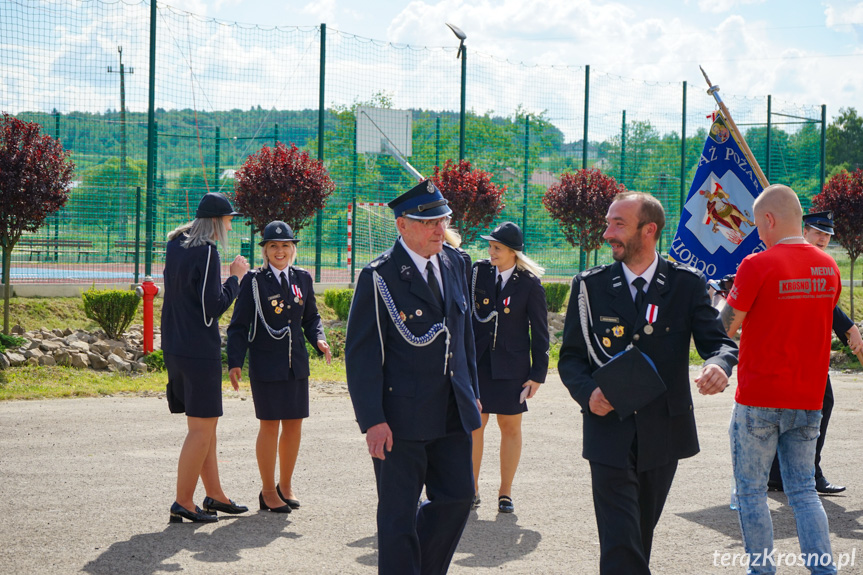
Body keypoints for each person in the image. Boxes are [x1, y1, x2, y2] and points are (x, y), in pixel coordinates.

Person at [558, 191, 738, 574]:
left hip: (663, 430)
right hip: (607, 428)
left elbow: (718, 343)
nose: (607, 233)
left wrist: (720, 365)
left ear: (649, 230)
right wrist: (588, 392)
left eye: (617, 224)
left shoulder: (685, 284)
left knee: (639, 531)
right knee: (621, 538)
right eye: (608, 223)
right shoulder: (590, 287)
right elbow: (571, 358)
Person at [345, 179, 481, 575]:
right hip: (400, 417)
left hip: (452, 409)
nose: (440, 229)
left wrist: (470, 389)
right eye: (429, 222)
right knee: (398, 516)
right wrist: (372, 419)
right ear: (402, 225)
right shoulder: (380, 276)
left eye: (443, 220)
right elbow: (362, 356)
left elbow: (464, 332)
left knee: (458, 498)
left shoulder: (457, 262)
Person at [721, 185, 841, 574]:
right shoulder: (830, 266)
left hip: (760, 396)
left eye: (758, 225)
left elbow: (726, 328)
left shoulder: (756, 265)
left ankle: (762, 570)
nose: (758, 233)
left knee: (752, 492)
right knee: (804, 492)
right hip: (809, 397)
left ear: (769, 220)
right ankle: (823, 569)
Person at [226, 220, 331, 514]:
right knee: (270, 425)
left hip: (295, 363)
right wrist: (235, 361)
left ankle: (286, 485)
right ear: (265, 250)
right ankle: (268, 490)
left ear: (293, 249)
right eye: (273, 245)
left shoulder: (303, 278)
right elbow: (238, 326)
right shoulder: (254, 281)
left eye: (285, 245)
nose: (280, 251)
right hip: (266, 363)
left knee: (294, 425)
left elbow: (311, 318)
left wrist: (319, 340)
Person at [161, 192, 250, 523]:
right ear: (217, 221)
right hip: (199, 350)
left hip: (175, 345)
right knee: (201, 430)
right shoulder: (208, 252)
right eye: (229, 219)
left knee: (206, 427)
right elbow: (212, 306)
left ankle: (215, 496)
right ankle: (183, 501)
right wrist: (236, 278)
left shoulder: (176, 243)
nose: (231, 223)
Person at [767, 210, 863, 494]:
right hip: (787, 349)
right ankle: (804, 472)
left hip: (810, 352)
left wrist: (849, 330)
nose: (823, 239)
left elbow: (825, 303)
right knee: (799, 409)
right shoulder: (790, 258)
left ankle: (786, 473)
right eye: (818, 232)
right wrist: (850, 329)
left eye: (827, 235)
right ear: (803, 231)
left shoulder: (820, 263)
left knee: (814, 406)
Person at [470, 221, 548, 514]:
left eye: (497, 248)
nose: (491, 252)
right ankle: (472, 489)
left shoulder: (529, 284)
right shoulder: (478, 274)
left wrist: (537, 375)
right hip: (478, 364)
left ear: (513, 252)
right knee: (475, 425)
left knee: (510, 426)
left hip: (512, 367)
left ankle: (505, 493)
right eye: (490, 246)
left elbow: (540, 333)